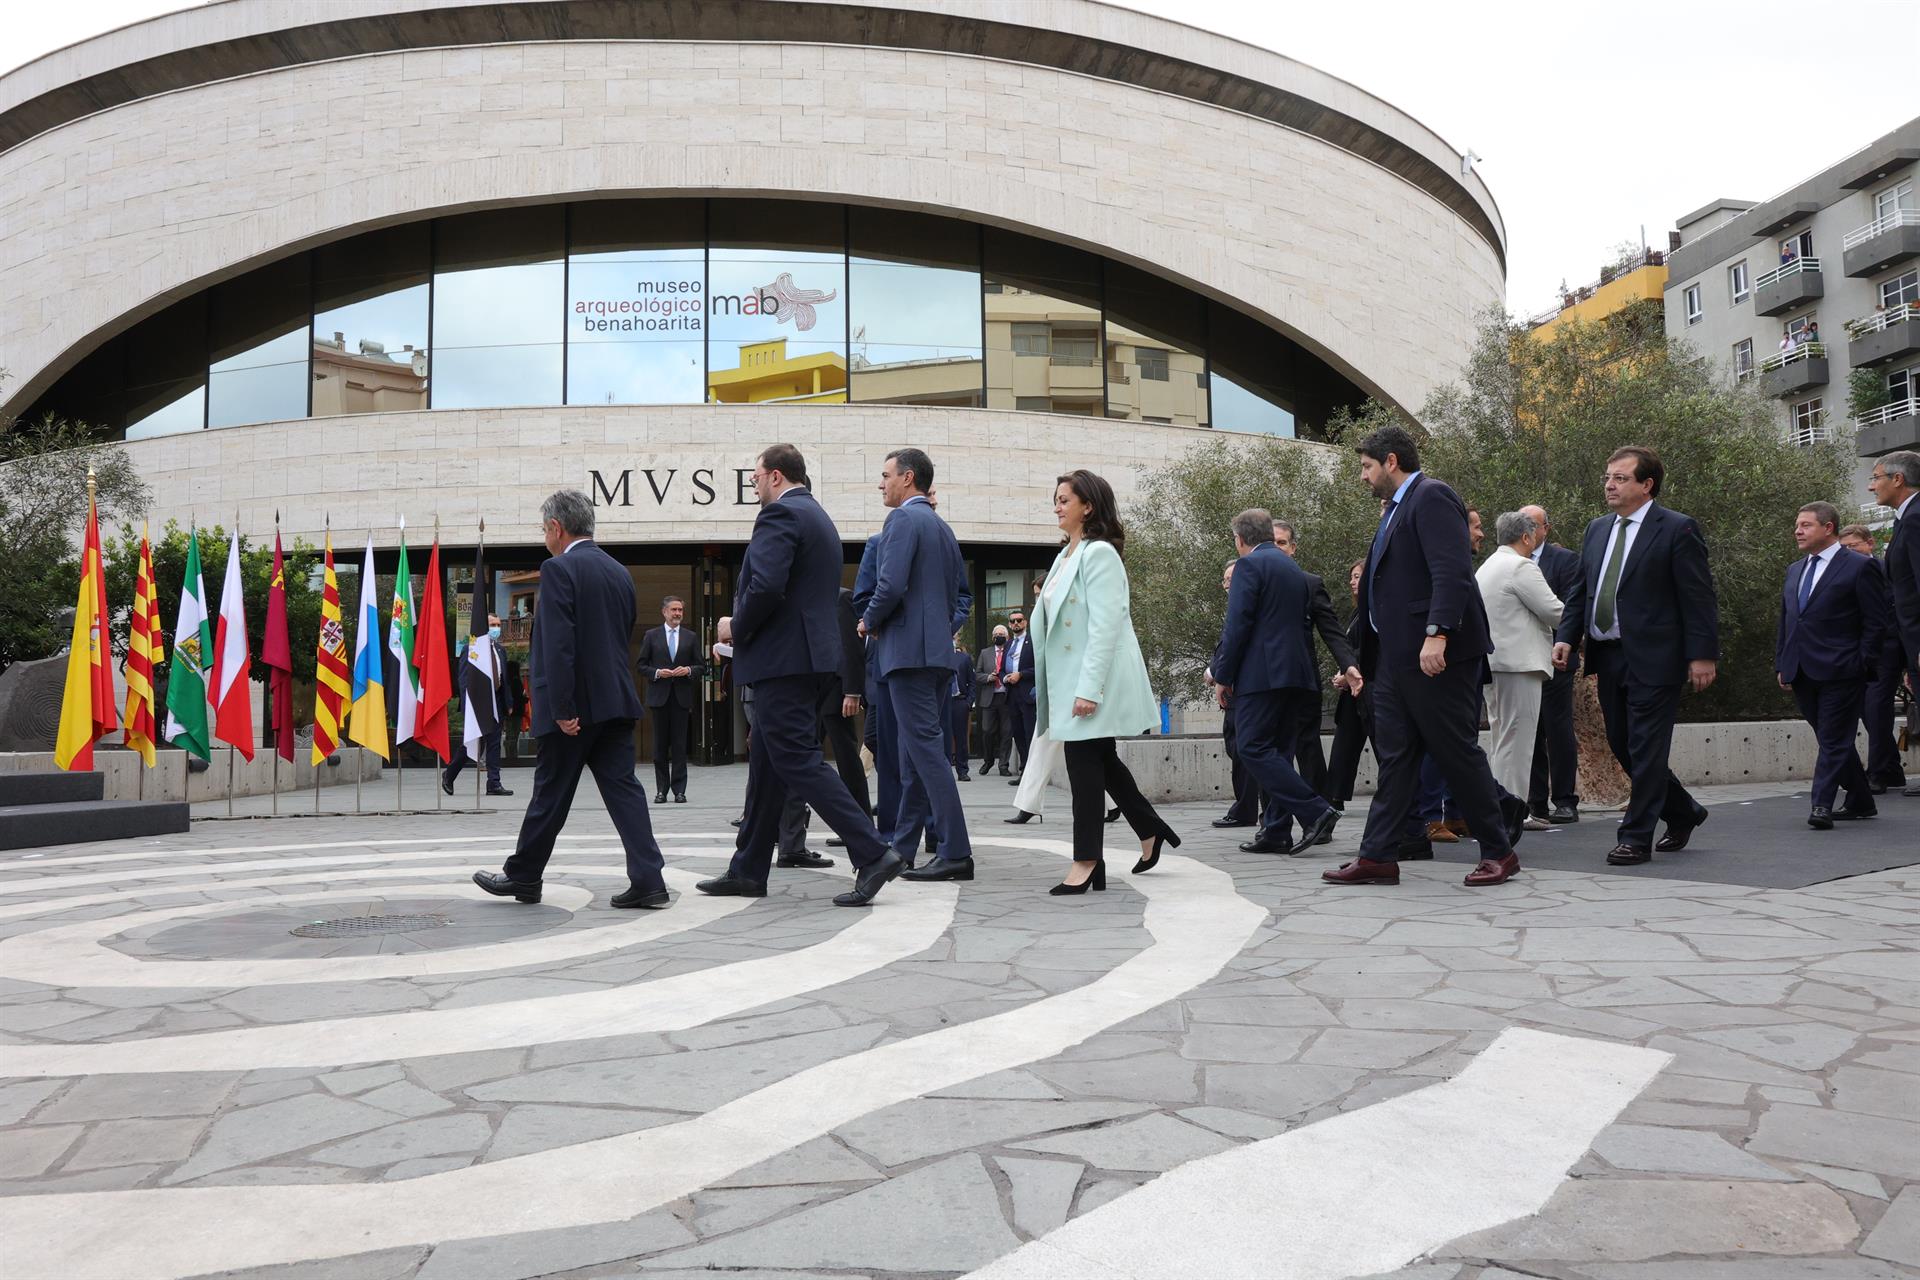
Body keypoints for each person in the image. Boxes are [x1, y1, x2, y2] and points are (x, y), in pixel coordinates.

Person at [697, 445, 901, 907]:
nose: (752, 486)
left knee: (796, 760)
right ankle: (747, 869)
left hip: (781, 662)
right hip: (805, 661)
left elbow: (766, 586)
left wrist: (735, 626)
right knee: (768, 770)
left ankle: (872, 853)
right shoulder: (818, 518)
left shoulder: (780, 516)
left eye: (754, 478)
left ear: (773, 476)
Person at [1325, 426, 1526, 888]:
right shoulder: (1397, 509)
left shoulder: (1432, 496)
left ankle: (1499, 851)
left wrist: (1438, 633)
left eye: (1366, 467)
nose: (1363, 477)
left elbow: (1451, 571)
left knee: (1456, 751)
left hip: (1435, 656)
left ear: (1391, 461)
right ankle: (1377, 856)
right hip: (1396, 660)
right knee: (1397, 759)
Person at [473, 490, 669, 909]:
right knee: (624, 792)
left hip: (574, 710)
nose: (545, 537)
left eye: (545, 529)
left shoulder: (559, 569)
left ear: (556, 528)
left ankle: (524, 877)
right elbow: (620, 635)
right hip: (615, 703)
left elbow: (559, 646)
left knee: (550, 793)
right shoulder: (620, 572)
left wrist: (562, 709)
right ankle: (649, 879)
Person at [1556, 445, 1719, 866]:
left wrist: (1702, 655)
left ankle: (1635, 836)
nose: (1610, 485)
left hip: (1657, 656)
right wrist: (1566, 636)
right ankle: (1683, 811)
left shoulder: (1677, 529)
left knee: (1647, 747)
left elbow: (1698, 598)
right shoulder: (1597, 529)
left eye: (1621, 478)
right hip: (1608, 655)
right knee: (1623, 744)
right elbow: (1581, 590)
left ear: (1647, 485)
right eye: (1608, 477)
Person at [1035, 470, 1178, 895]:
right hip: (1069, 682)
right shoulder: (1066, 556)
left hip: (1089, 683)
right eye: (1055, 499)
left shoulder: (1099, 554)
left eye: (1065, 499)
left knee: (1084, 771)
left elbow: (1105, 627)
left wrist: (1088, 689)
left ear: (1088, 506)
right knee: (1103, 763)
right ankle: (1150, 828)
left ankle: (1085, 860)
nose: (1057, 506)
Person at [863, 448, 976, 881]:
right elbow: (954, 597)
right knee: (915, 755)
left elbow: (890, 584)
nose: (881, 483)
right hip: (934, 656)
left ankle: (956, 851)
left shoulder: (903, 520)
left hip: (907, 656)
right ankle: (903, 848)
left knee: (927, 755)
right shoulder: (941, 527)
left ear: (908, 478)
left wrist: (868, 621)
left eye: (886, 474)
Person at [1215, 508, 1347, 858]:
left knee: (1252, 747)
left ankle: (1316, 810)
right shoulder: (1292, 567)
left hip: (1262, 676)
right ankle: (1275, 831)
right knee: (1280, 752)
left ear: (1240, 539)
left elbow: (1238, 625)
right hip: (1297, 675)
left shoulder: (1248, 566)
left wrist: (1222, 675)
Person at [1778, 501, 1888, 828]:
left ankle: (1821, 804)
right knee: (1831, 738)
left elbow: (1875, 622)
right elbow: (1787, 621)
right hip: (1801, 669)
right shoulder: (1795, 569)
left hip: (1843, 670)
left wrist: (1861, 662)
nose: (1798, 531)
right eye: (1797, 525)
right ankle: (1860, 799)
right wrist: (1782, 663)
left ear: (1828, 528)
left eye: (1806, 525)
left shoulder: (1858, 566)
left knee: (1834, 738)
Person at [1476, 510, 1563, 802]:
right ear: (1526, 537)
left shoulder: (1487, 566)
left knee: (1503, 740)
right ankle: (1512, 809)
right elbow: (1553, 611)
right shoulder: (1520, 567)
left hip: (1494, 664)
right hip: (1519, 666)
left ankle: (1500, 805)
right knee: (1518, 743)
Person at [1271, 520, 1356, 805]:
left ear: (1293, 548)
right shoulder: (1252, 581)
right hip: (1262, 682)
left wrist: (1349, 665)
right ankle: (1271, 823)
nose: (1277, 548)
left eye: (1282, 543)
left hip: (1301, 681)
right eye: (1271, 542)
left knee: (1306, 747)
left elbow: (1332, 631)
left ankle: (1320, 816)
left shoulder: (1310, 583)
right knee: (1265, 751)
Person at [1524, 504, 1584, 824]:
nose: (1529, 531)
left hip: (1556, 659)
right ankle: (1535, 802)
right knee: (1530, 733)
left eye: (1534, 525)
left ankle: (1564, 799)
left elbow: (1572, 609)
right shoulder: (1511, 562)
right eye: (1523, 525)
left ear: (1546, 528)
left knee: (1558, 730)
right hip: (1523, 662)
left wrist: (1565, 645)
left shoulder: (1565, 560)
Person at [1839, 523, 1907, 792]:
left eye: (1853, 546)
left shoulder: (1881, 570)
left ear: (1869, 544)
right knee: (1869, 712)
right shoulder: (1847, 572)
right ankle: (1891, 769)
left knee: (1876, 710)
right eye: (1844, 548)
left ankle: (1878, 773)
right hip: (1861, 652)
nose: (1849, 551)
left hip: (1887, 649)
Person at [1868, 452, 1920, 797]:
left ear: (1897, 479)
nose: (1872, 486)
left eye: (1876, 477)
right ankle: (1884, 769)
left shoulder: (1916, 519)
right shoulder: (1906, 518)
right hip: (1901, 635)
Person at [637, 595, 704, 804]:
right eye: (674, 610)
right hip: (659, 698)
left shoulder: (691, 637)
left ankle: (680, 791)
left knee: (679, 746)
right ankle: (661, 790)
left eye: (680, 610)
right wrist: (657, 673)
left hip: (681, 698)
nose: (677, 614)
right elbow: (641, 665)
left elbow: (701, 666)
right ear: (664, 612)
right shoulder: (651, 635)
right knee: (659, 747)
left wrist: (689, 670)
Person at [1211, 559, 1260, 829]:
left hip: (1243, 690)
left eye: (1232, 580)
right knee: (1236, 748)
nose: (1228, 585)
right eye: (1226, 581)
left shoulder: (1245, 607)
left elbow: (1237, 643)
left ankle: (1245, 809)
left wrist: (1219, 673)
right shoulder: (1232, 608)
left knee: (1245, 751)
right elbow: (1223, 645)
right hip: (1232, 692)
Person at [443, 613, 513, 797]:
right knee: (473, 744)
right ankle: (449, 775)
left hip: (496, 702)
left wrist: (508, 703)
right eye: (492, 624)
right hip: (478, 703)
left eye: (498, 624)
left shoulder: (500, 650)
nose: (496, 628)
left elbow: (504, 679)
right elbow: (464, 679)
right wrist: (468, 706)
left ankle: (494, 783)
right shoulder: (471, 649)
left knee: (495, 743)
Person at [1325, 560, 1372, 805]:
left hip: (1369, 690)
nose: (1352, 582)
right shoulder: (1358, 612)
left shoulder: (1376, 611)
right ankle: (1334, 798)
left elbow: (1371, 650)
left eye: (1357, 577)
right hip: (1352, 694)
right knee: (1344, 747)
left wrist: (1351, 673)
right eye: (1351, 577)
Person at [1002, 607, 1036, 778]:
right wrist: (1005, 678)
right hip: (1011, 694)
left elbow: (1040, 667)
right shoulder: (1008, 644)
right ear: (1009, 624)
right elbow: (1001, 670)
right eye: (1013, 621)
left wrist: (1021, 674)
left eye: (1019, 620)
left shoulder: (1034, 641)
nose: (1016, 623)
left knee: (1030, 734)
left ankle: (1032, 774)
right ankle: (1024, 772)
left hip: (1027, 694)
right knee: (1018, 734)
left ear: (1025, 622)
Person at [976, 625, 1012, 776]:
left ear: (1007, 637)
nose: (999, 636)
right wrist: (988, 677)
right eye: (996, 634)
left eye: (1002, 634)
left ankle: (1003, 765)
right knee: (987, 731)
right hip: (989, 698)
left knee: (1007, 732)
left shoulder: (1012, 652)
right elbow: (977, 674)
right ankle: (988, 760)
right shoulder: (985, 653)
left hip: (1006, 697)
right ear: (992, 637)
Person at [949, 636, 976, 781]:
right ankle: (945, 770)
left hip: (960, 702)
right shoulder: (937, 657)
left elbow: (972, 682)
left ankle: (962, 770)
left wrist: (969, 702)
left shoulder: (964, 658)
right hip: (943, 702)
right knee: (943, 738)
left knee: (961, 738)